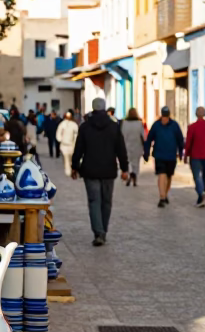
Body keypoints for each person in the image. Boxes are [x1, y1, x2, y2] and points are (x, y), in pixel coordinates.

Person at [71, 98, 129, 245]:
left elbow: (79, 149)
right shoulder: (114, 126)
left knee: (94, 201)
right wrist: (125, 168)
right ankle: (103, 231)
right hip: (109, 170)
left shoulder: (85, 127)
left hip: (90, 170)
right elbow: (121, 149)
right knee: (107, 202)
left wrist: (75, 166)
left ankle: (99, 232)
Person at [143, 106, 185, 206]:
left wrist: (180, 153)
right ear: (161, 115)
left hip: (171, 156)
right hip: (159, 155)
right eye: (163, 116)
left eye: (166, 116)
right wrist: (146, 152)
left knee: (169, 176)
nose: (165, 118)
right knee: (161, 174)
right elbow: (149, 139)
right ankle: (162, 197)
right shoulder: (156, 125)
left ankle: (165, 194)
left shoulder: (174, 125)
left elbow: (180, 140)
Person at [185, 105, 205, 208]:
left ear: (196, 114)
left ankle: (202, 195)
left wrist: (186, 155)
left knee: (196, 176)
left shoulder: (192, 127)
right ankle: (202, 195)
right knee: (204, 176)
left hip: (196, 156)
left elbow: (188, 142)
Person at [121, 107, 144, 186]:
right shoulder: (139, 123)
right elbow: (143, 136)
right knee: (136, 163)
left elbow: (122, 135)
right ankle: (135, 178)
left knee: (128, 163)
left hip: (126, 145)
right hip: (137, 145)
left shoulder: (124, 123)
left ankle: (130, 175)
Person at [56, 110, 79, 177]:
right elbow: (58, 133)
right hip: (64, 145)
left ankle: (72, 170)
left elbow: (76, 134)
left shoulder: (74, 125)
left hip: (71, 144)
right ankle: (68, 171)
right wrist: (60, 139)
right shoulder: (62, 124)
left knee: (71, 158)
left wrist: (75, 142)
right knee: (66, 159)